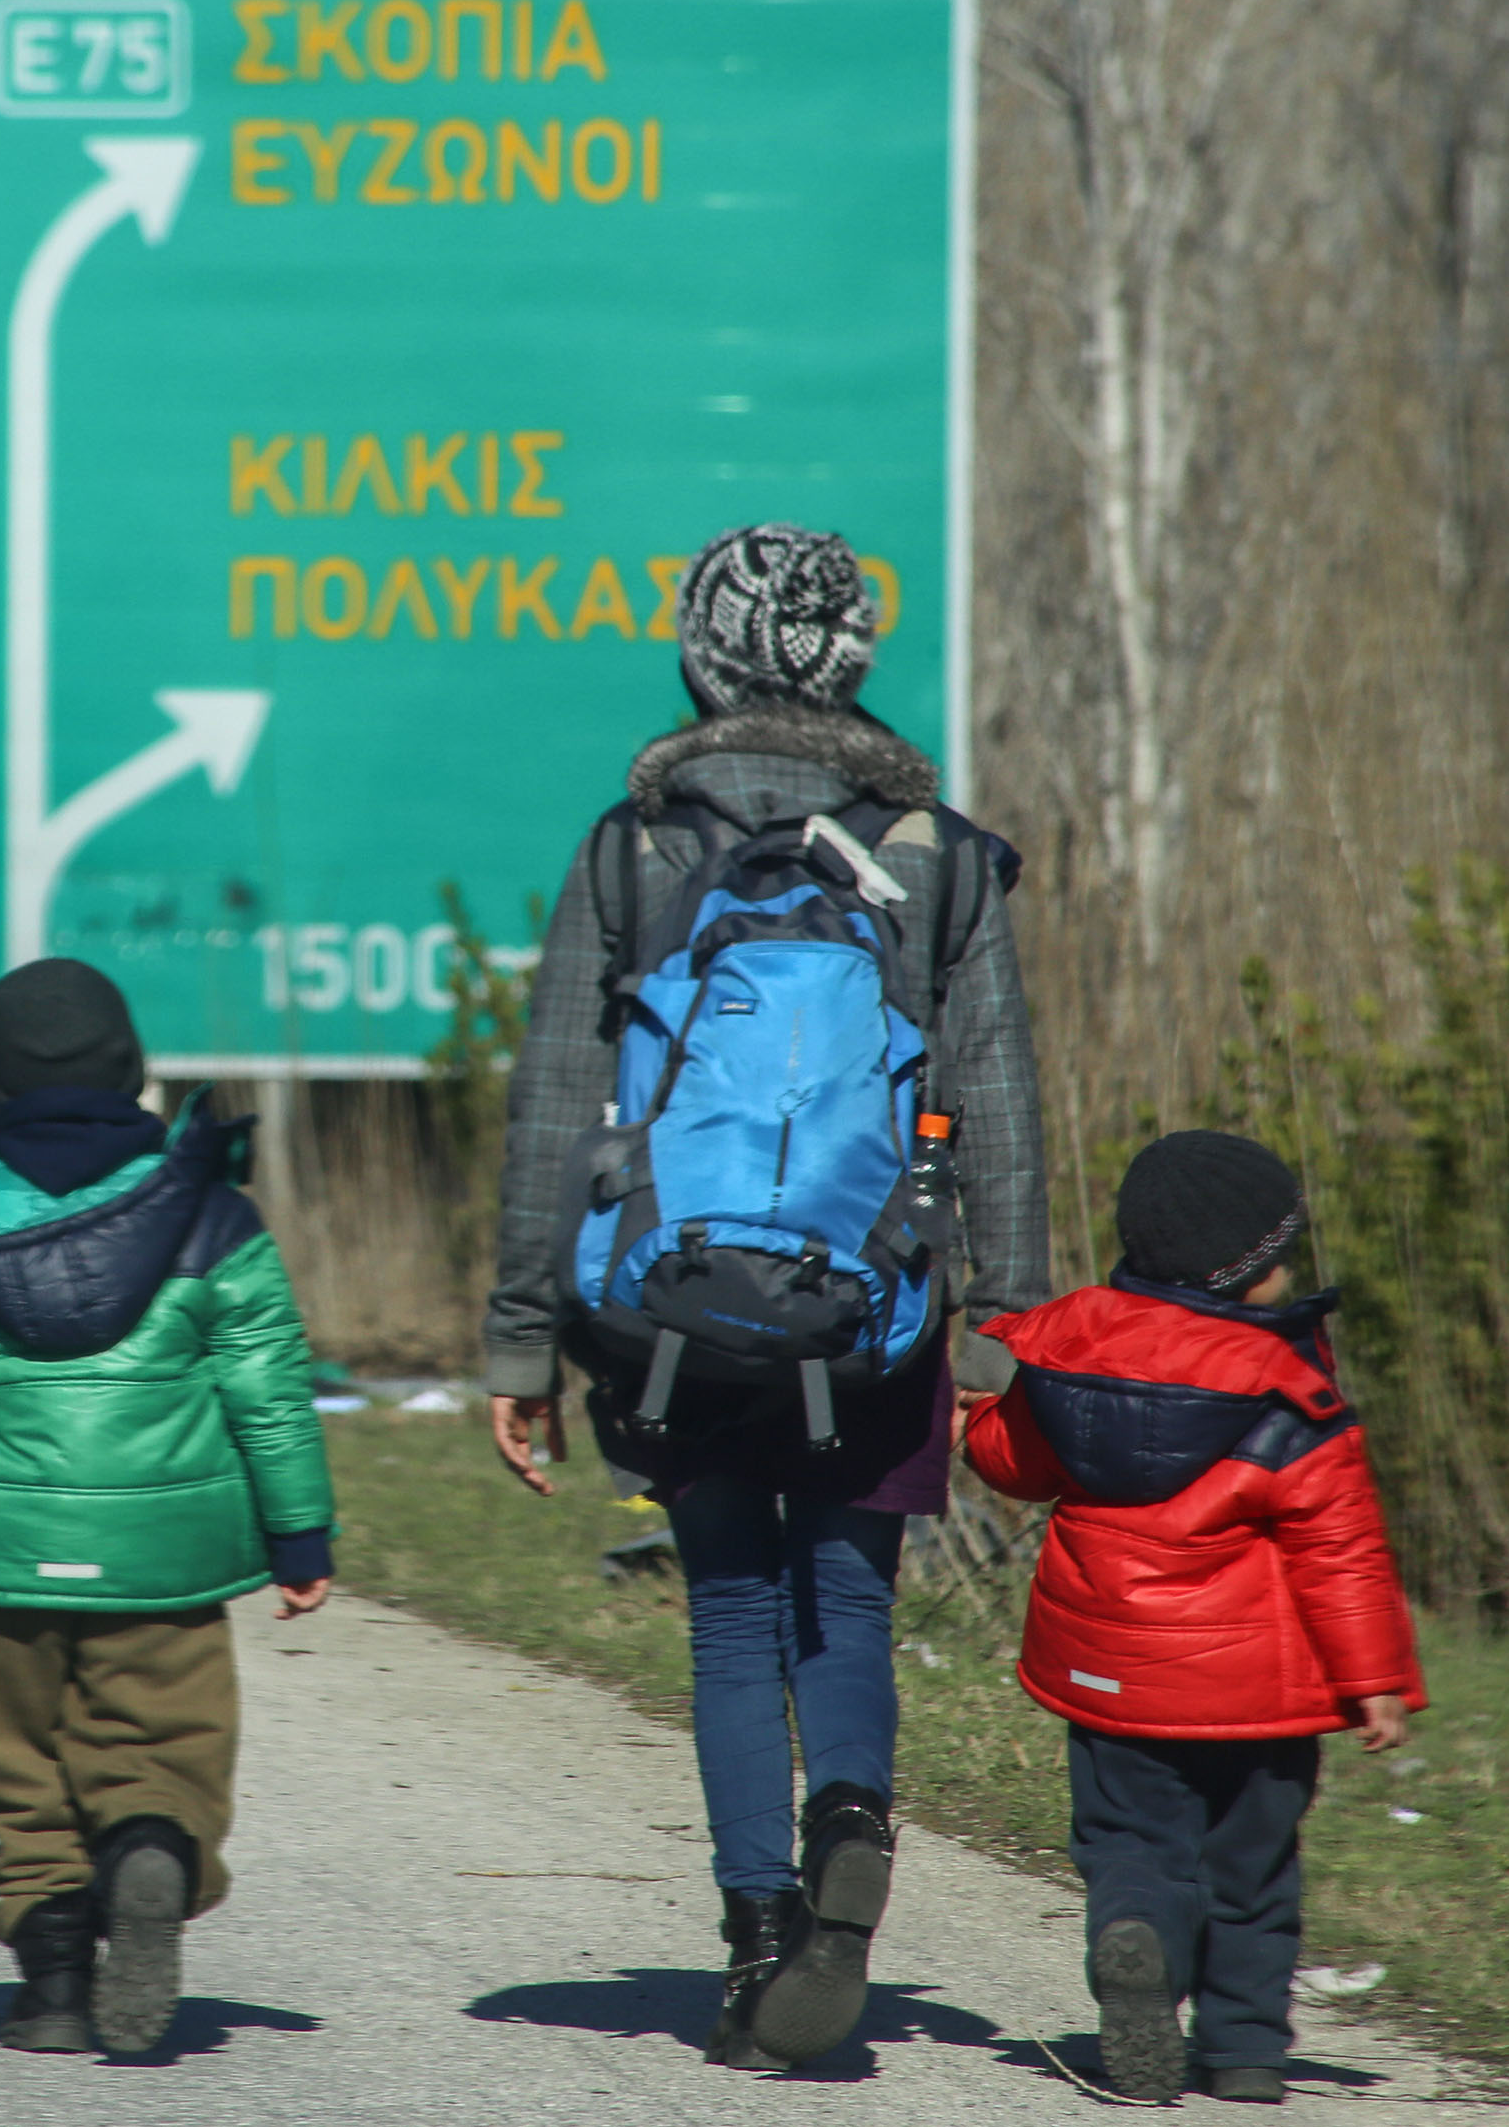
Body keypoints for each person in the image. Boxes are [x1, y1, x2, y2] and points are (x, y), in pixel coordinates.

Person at [479, 524, 1047, 2071]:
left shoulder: (635, 843)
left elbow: (553, 1098)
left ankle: (752, 1944)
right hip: (876, 1299)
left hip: (672, 1306)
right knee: (843, 1597)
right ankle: (846, 1831)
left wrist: (521, 1334)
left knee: (728, 1606)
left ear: (701, 654)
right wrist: (1007, 1316)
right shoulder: (933, 854)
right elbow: (994, 1085)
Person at [0, 959, 334, 2060]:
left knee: (16, 1761)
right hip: (164, 1555)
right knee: (164, 1739)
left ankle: (54, 1985)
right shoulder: (211, 1213)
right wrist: (300, 1535)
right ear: (132, 1069)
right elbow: (271, 1392)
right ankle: (148, 1844)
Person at [963, 1132, 1423, 2106]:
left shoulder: (1069, 1344)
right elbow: (1339, 1549)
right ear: (1244, 1270)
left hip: (1111, 1667)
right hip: (1259, 1687)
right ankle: (1247, 2049)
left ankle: (1139, 1944)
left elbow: (1011, 1464)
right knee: (1252, 1868)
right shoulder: (1285, 1385)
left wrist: (976, 1419)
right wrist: (1374, 1678)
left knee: (1132, 1844)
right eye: (1281, 1256)